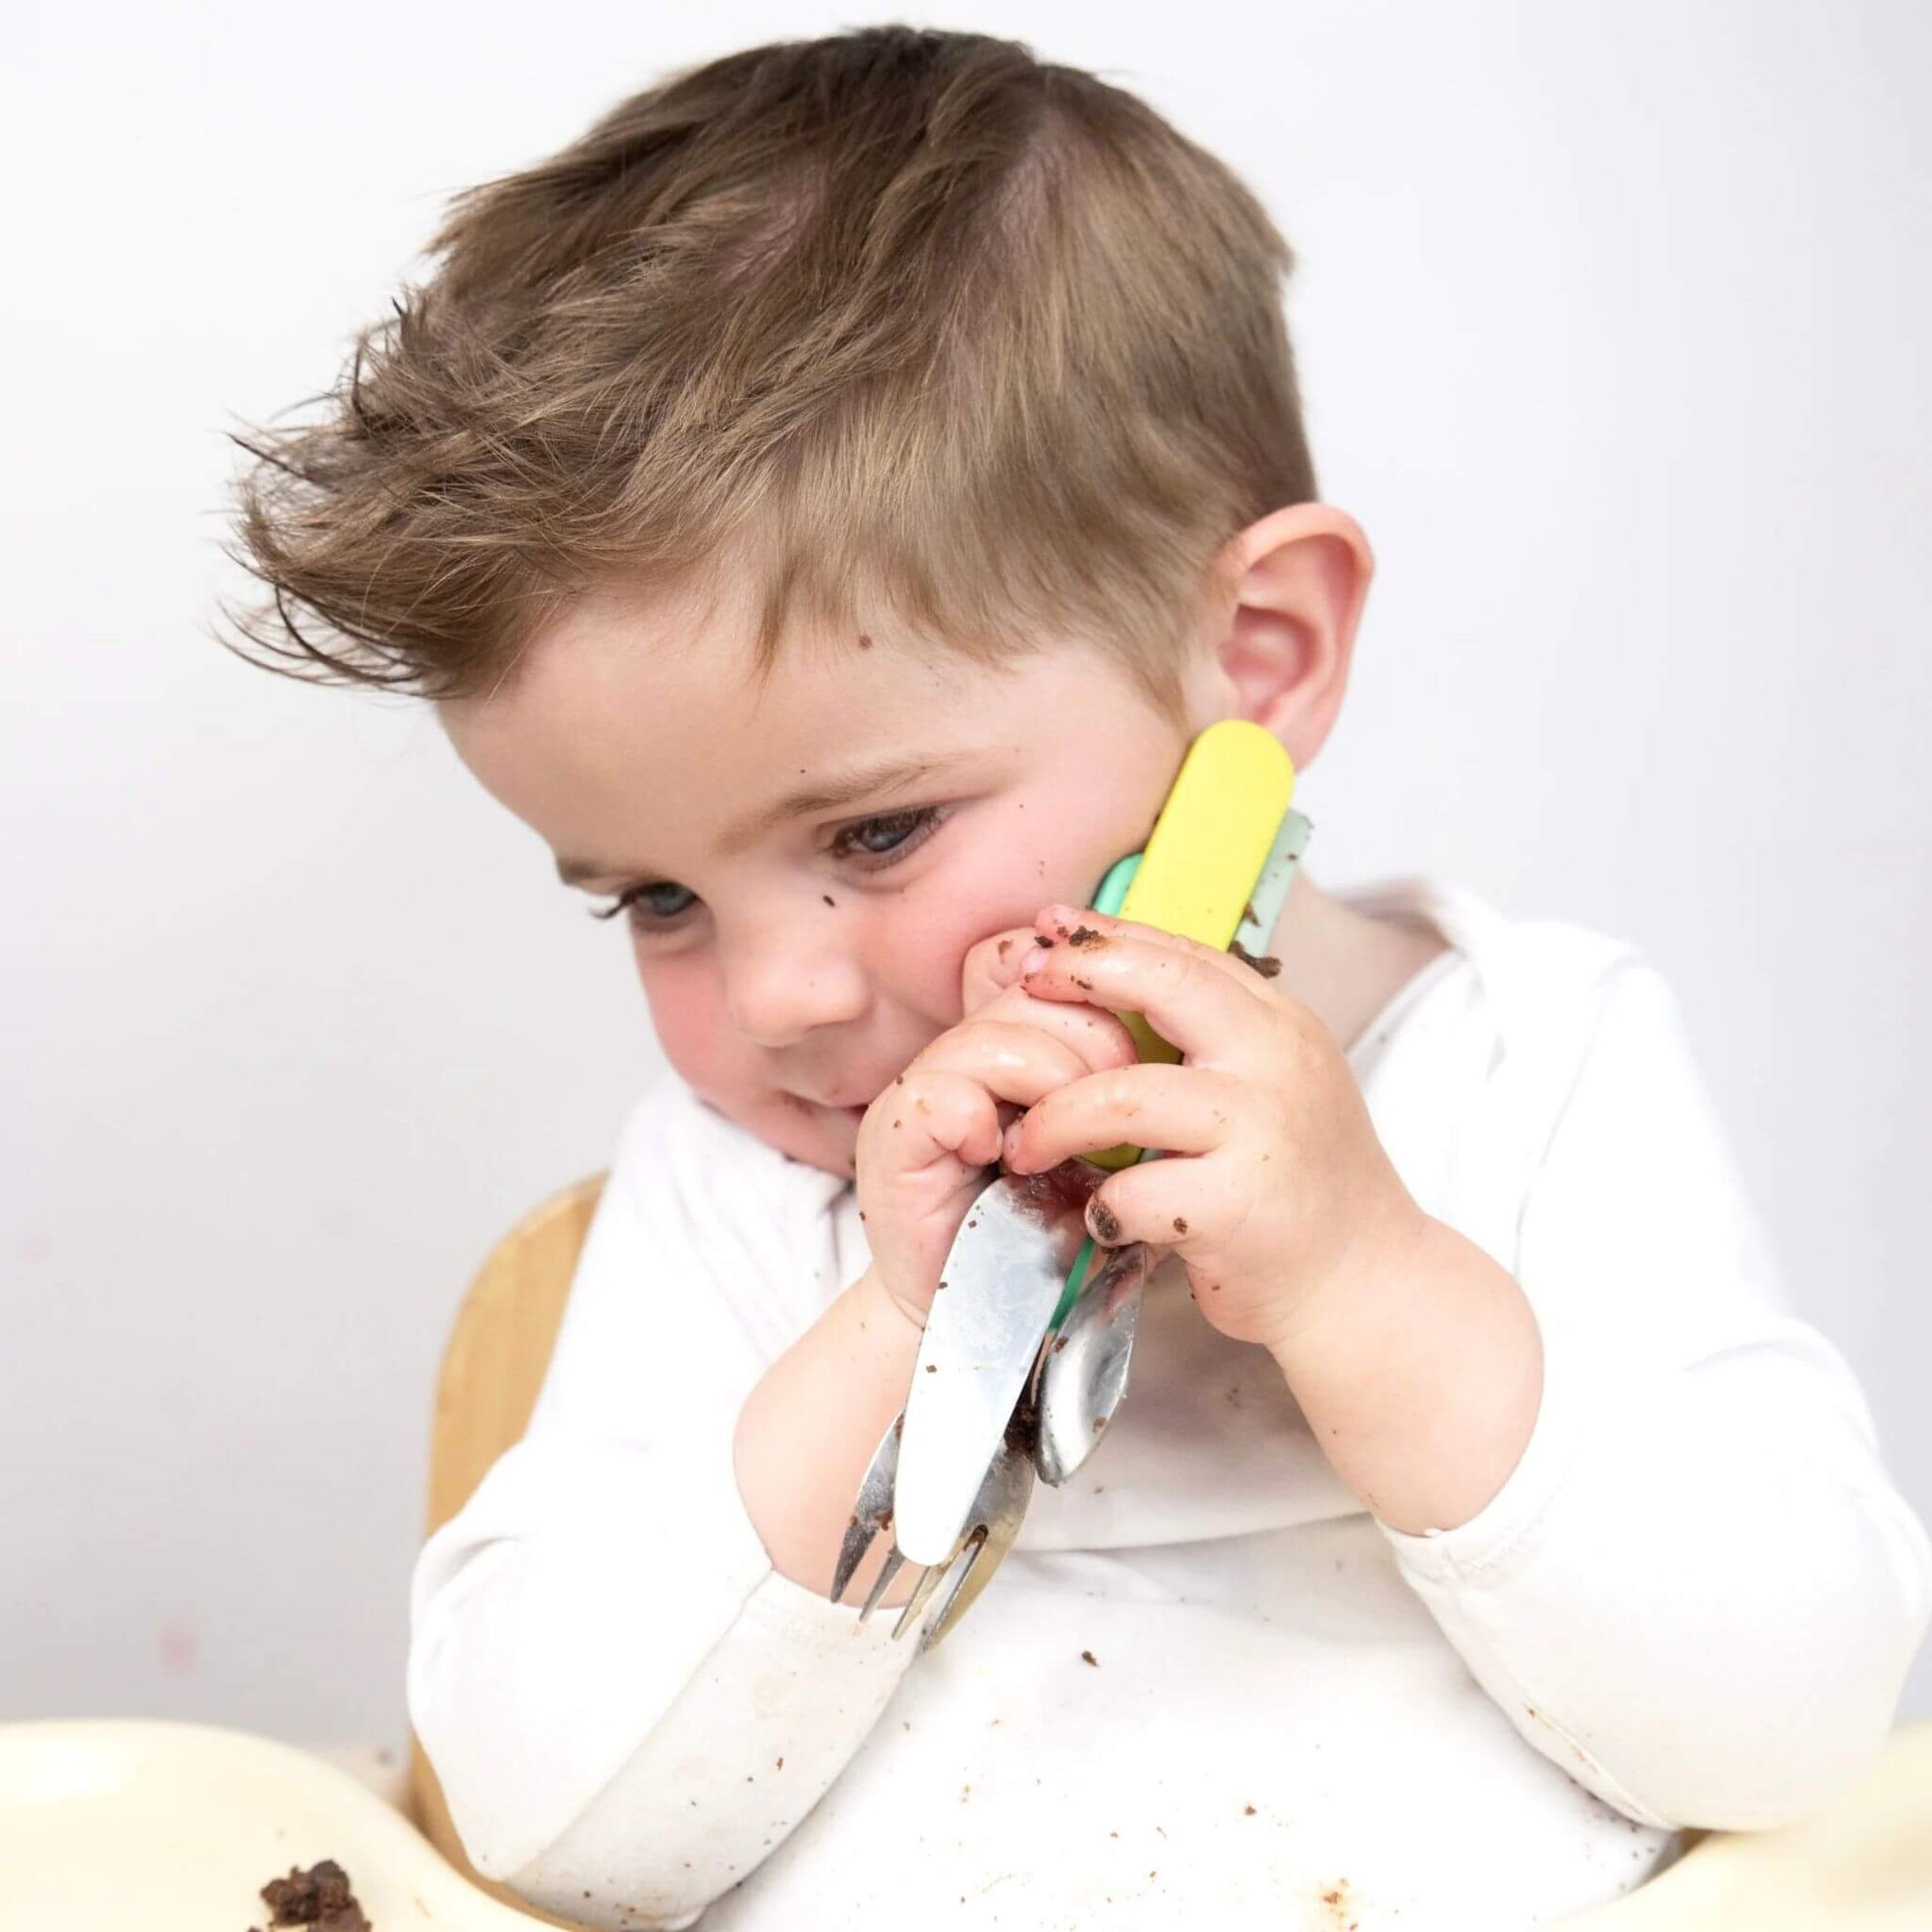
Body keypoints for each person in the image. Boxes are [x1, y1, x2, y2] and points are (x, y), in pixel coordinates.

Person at [218, 27, 1931, 1930]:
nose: (778, 1000)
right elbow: (546, 1823)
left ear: (1259, 656)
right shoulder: (750, 1187)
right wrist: (889, 1331)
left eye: (874, 835)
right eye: (653, 899)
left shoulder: (1531, 1063)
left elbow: (1796, 1724)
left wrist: (1369, 1281)